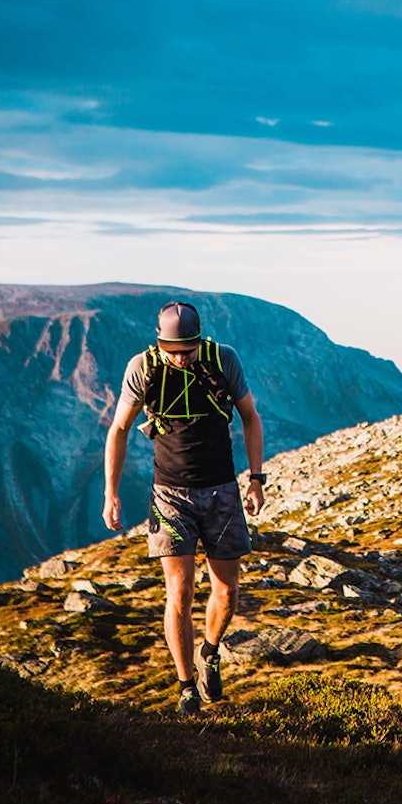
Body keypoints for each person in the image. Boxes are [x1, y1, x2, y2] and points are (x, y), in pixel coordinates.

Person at [102, 301, 266, 716]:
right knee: (180, 591)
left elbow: (250, 416)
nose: (181, 357)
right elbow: (119, 428)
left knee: (227, 591)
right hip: (169, 495)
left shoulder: (222, 360)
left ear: (200, 340)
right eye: (173, 350)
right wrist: (111, 492)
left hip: (222, 491)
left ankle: (209, 653)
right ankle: (186, 688)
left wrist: (256, 480)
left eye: (188, 350)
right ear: (159, 343)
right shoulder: (143, 368)